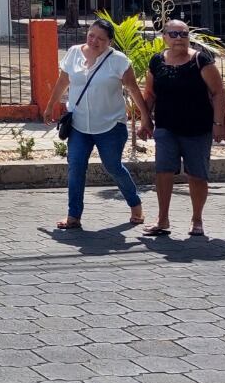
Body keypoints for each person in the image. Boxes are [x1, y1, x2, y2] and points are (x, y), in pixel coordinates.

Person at [44, 18, 152, 231]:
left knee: (113, 166)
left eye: (101, 39)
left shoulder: (118, 61)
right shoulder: (74, 53)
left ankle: (135, 204)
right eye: (91, 35)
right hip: (78, 125)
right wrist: (50, 106)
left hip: (111, 126)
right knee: (76, 167)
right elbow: (62, 82)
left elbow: (132, 90)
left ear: (110, 42)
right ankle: (73, 216)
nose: (94, 41)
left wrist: (145, 117)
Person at [141, 19, 225, 238]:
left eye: (184, 34)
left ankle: (197, 219)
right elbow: (150, 93)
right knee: (163, 172)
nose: (179, 38)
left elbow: (218, 92)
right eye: (174, 34)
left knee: (197, 175)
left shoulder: (200, 60)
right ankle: (162, 220)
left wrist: (218, 124)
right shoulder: (157, 61)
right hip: (166, 126)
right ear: (164, 37)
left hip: (198, 128)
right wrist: (145, 119)